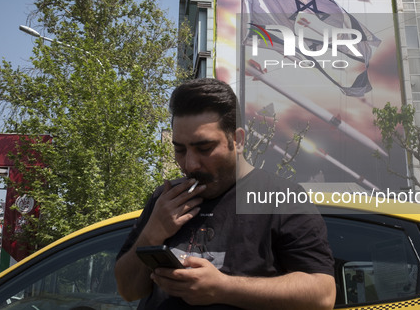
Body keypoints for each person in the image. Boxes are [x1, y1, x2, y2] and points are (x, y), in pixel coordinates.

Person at [114, 78, 336, 309]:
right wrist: (152, 232)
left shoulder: (282, 197)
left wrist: (223, 288)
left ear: (238, 140)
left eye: (204, 148)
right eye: (180, 149)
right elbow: (129, 291)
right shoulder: (166, 198)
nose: (190, 164)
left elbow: (322, 295)